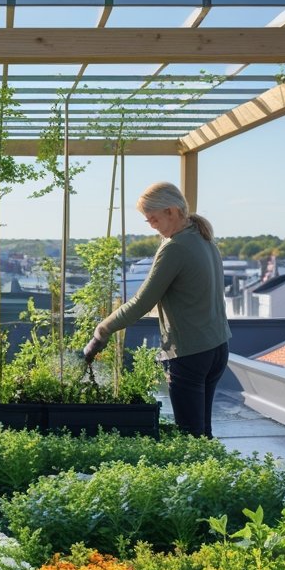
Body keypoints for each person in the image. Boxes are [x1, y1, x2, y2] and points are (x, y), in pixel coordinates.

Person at [83, 181, 231, 438]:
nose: (151, 225)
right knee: (202, 433)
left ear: (171, 212)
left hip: (190, 352)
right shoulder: (204, 238)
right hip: (217, 347)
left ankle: (196, 479)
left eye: (153, 219)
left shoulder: (175, 247)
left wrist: (101, 330)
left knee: (189, 436)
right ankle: (211, 477)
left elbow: (141, 303)